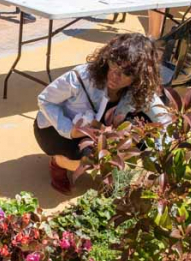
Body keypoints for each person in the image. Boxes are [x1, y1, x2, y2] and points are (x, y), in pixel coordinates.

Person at [34, 34, 165, 194]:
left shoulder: (140, 89)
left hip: (97, 129)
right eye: (114, 65)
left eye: (126, 72)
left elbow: (164, 120)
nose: (115, 76)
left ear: (140, 75)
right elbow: (45, 100)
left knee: (142, 133)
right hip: (56, 128)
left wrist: (163, 159)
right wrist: (69, 130)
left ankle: (114, 175)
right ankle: (58, 162)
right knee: (85, 160)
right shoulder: (80, 77)